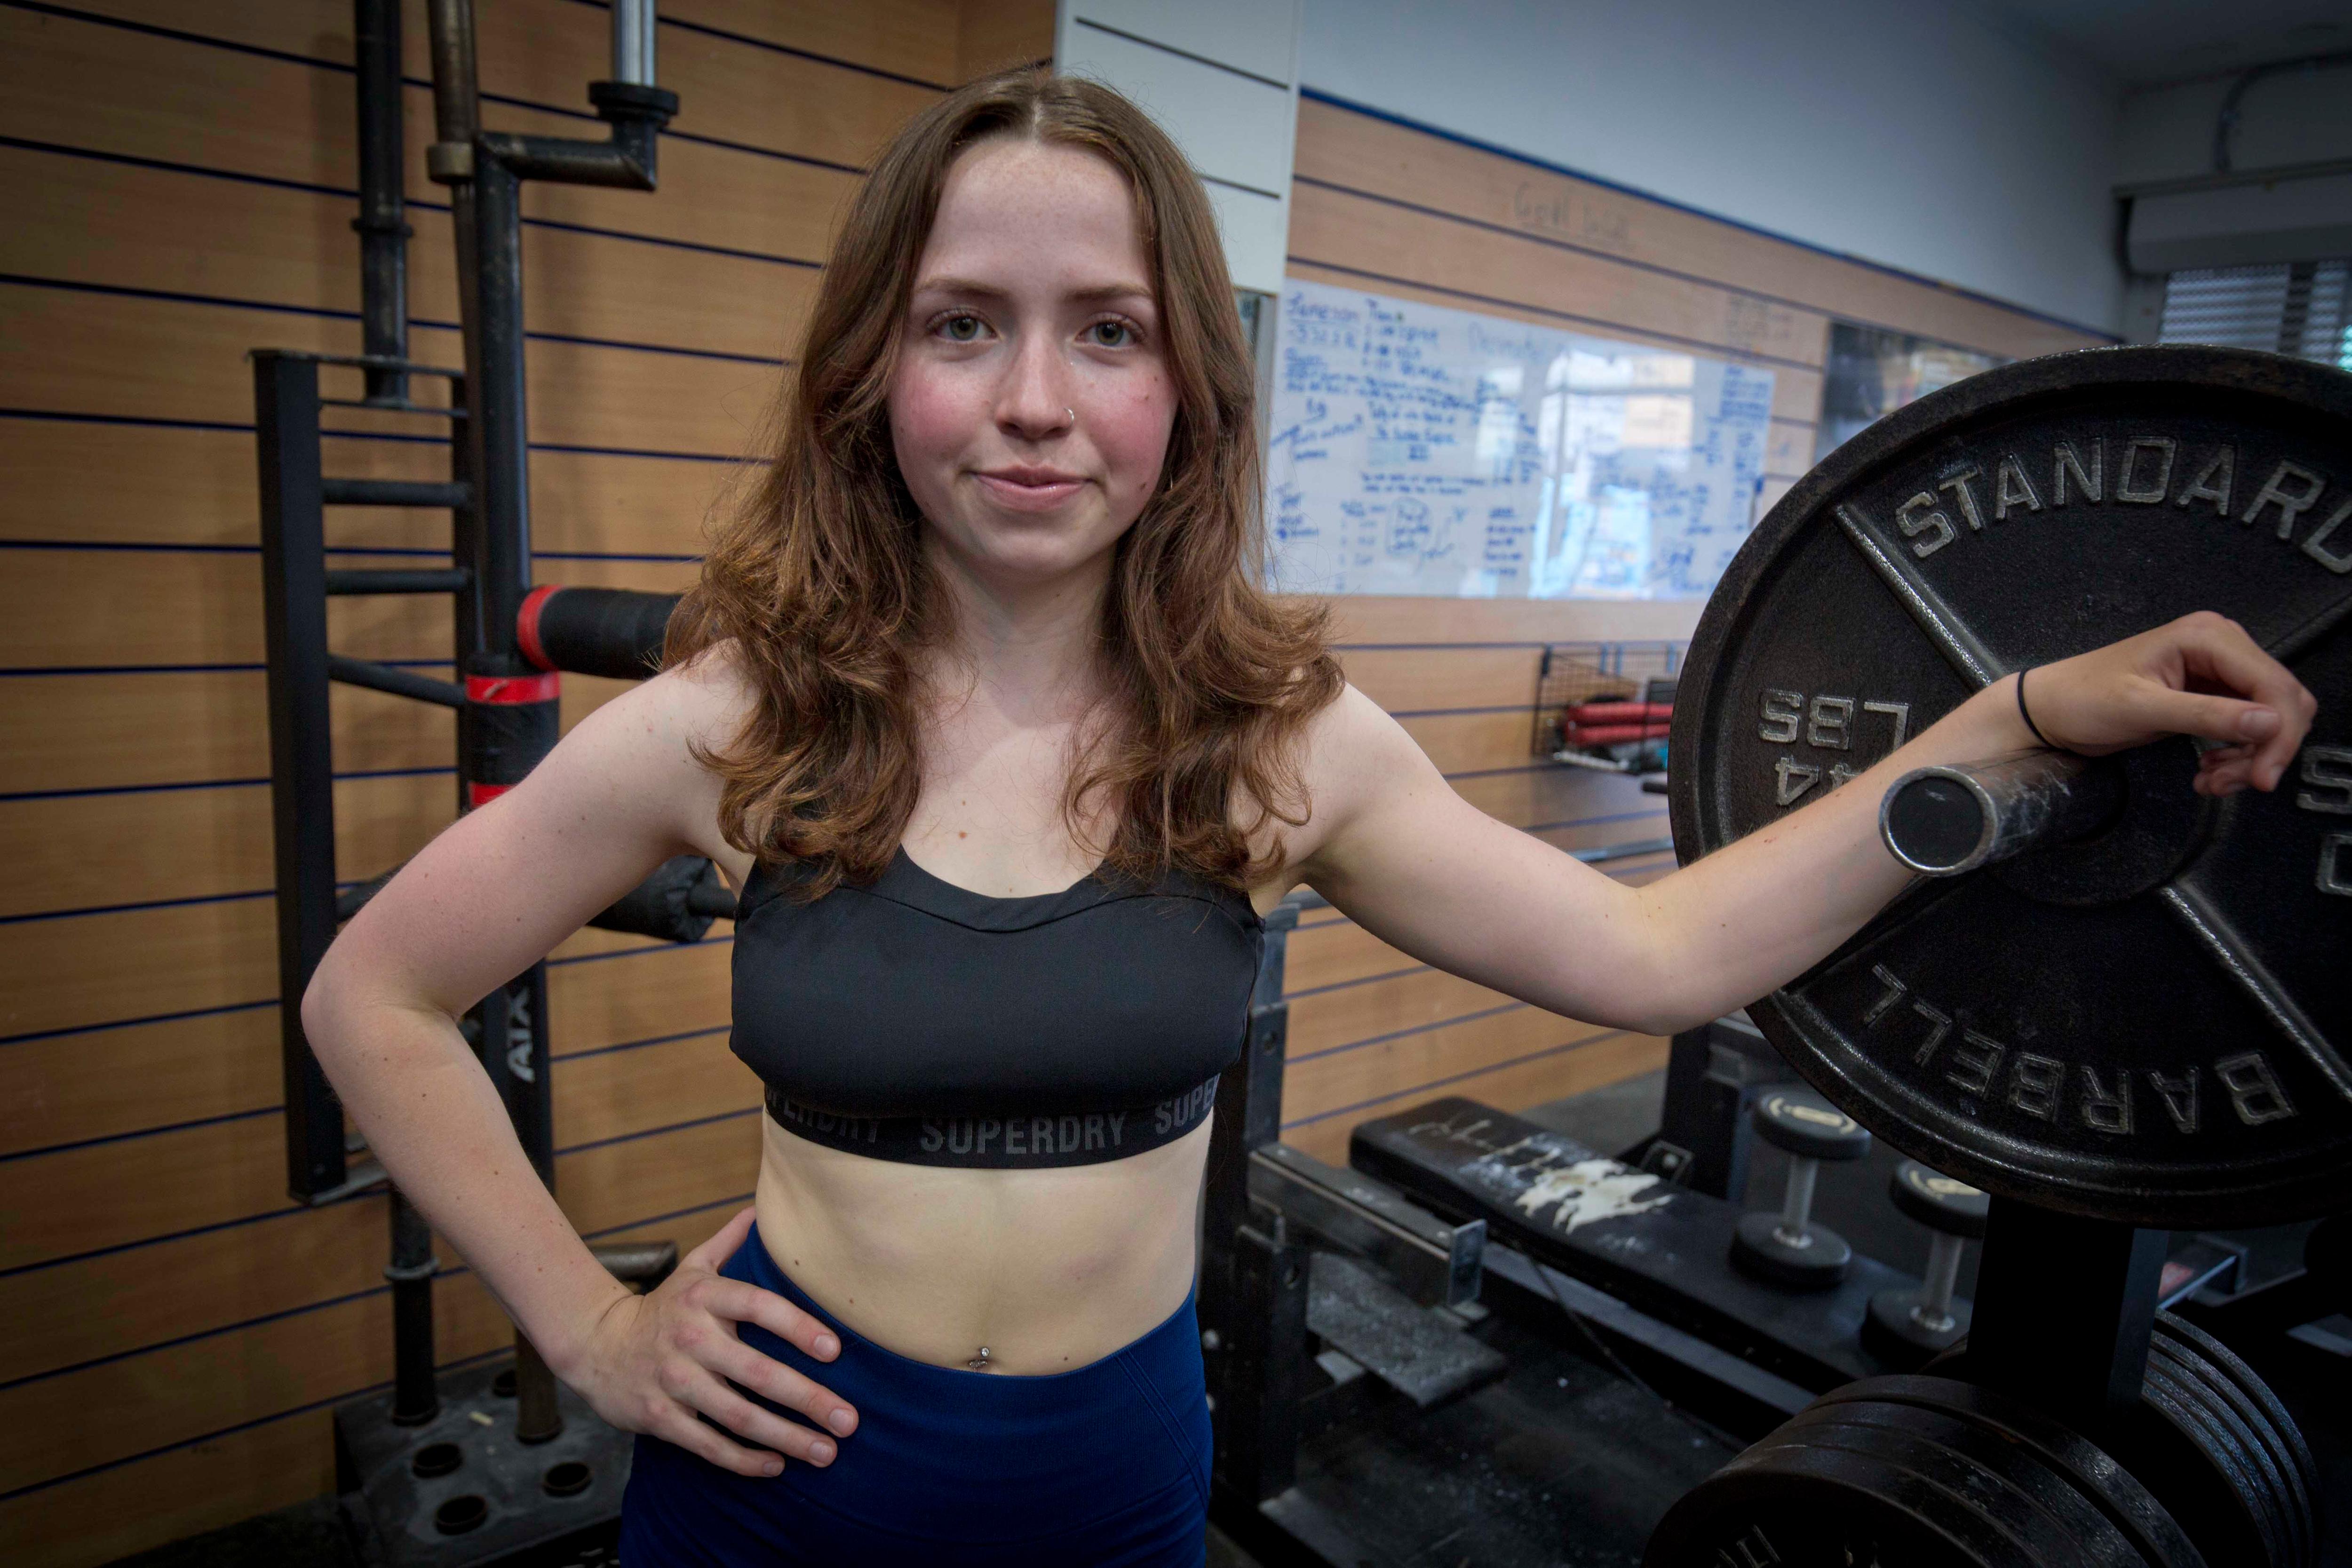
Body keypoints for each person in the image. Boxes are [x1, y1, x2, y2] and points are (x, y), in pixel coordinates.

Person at [300, 67, 2317, 1568]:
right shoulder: (730, 717)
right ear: (867, 379)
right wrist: (583, 1324)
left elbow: (1654, 954)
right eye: (957, 325)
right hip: (776, 1468)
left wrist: (2017, 720)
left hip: (1107, 1481)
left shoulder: (1278, 741)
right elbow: (374, 999)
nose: (1030, 398)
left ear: (1184, 384)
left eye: (1103, 329)